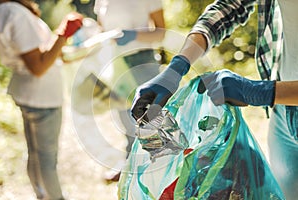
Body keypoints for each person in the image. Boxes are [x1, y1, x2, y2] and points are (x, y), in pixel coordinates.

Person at [130, 0, 298, 199]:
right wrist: (178, 65)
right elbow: (230, 7)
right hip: (284, 114)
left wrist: (261, 92)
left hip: (278, 97)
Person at [0, 0, 83, 199]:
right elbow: (39, 67)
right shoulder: (15, 12)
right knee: (46, 159)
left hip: (27, 92)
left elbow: (37, 52)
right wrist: (63, 33)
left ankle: (42, 194)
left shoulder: (3, 11)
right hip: (41, 96)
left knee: (35, 153)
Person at [92, 0, 166, 182]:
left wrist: (133, 35)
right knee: (124, 118)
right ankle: (130, 166)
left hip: (142, 60)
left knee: (150, 117)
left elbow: (161, 32)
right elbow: (102, 30)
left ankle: (162, 169)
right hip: (116, 60)